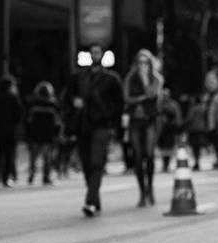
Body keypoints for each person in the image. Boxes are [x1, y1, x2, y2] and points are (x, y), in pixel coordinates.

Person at [63, 43, 124, 217]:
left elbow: (119, 104)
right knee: (87, 164)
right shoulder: (79, 77)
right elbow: (66, 97)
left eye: (98, 52)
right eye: (92, 52)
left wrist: (109, 117)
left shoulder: (111, 79)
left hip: (101, 125)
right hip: (83, 125)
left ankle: (89, 201)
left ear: (103, 55)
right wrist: (74, 102)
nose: (95, 55)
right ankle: (94, 198)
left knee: (97, 163)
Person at [124, 49, 162, 206]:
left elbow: (152, 95)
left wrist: (145, 79)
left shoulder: (156, 78)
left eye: (146, 62)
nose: (142, 65)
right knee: (138, 157)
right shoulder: (130, 78)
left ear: (150, 63)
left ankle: (150, 187)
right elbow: (127, 98)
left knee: (149, 154)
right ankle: (142, 192)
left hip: (150, 120)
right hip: (135, 120)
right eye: (139, 62)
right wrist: (140, 98)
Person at [0, 76, 23, 187]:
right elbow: (19, 115)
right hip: (10, 130)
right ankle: (5, 178)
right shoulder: (13, 97)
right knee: (9, 154)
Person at [26, 81, 61, 186]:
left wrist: (28, 134)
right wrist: (56, 134)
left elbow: (28, 121)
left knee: (33, 157)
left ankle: (31, 175)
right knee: (47, 158)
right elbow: (57, 122)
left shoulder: (33, 105)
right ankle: (46, 177)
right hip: (47, 135)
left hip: (35, 135)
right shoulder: (53, 105)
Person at [156, 88, 183, 172]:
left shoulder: (173, 104)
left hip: (170, 129)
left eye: (166, 95)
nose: (165, 96)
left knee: (169, 147)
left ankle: (166, 164)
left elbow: (178, 116)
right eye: (163, 95)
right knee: (163, 147)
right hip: (161, 129)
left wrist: (178, 126)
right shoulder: (158, 105)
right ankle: (165, 163)